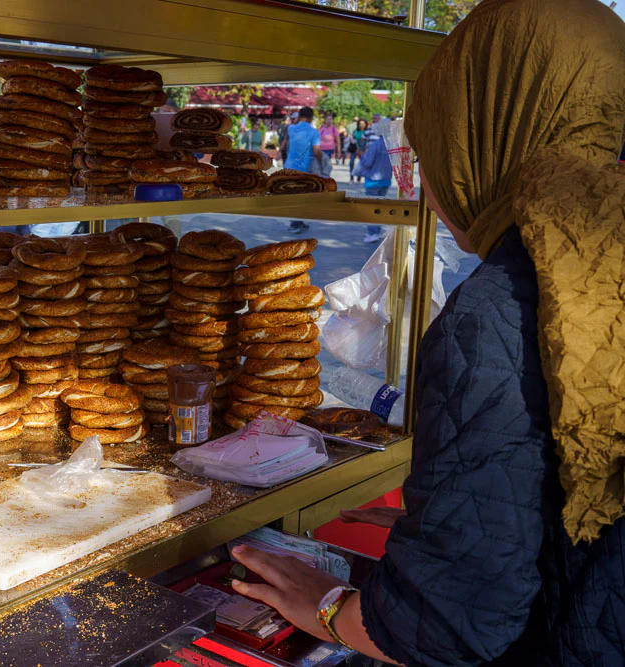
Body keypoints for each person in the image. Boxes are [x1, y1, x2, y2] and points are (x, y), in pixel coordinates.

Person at [230, 2, 625, 666]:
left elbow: (446, 622)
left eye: (435, 137)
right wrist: (447, 528)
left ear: (488, 134)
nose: (432, 173)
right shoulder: (601, 261)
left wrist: (328, 604)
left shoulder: (498, 311)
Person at [283, 106, 322, 233]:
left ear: (299, 116)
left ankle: (298, 221)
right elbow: (316, 151)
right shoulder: (314, 132)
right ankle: (295, 223)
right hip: (304, 167)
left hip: (289, 166)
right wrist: (322, 160)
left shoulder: (291, 128)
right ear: (311, 118)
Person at [354, 120, 393, 242]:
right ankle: (376, 230)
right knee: (380, 207)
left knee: (371, 208)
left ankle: (373, 232)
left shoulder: (375, 145)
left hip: (373, 180)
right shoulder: (392, 145)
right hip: (386, 180)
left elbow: (367, 162)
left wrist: (362, 158)